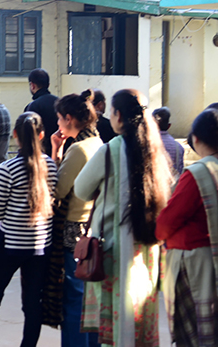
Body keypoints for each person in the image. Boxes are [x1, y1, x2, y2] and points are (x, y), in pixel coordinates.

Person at [74, 89, 173, 346]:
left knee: (116, 328)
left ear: (117, 116)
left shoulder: (110, 150)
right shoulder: (155, 150)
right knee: (140, 316)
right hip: (147, 248)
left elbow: (82, 189)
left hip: (113, 252)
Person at [0, 112, 58, 347]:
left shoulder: (7, 168)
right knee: (32, 303)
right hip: (40, 245)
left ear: (15, 135)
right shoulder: (51, 166)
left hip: (10, 244)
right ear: (42, 135)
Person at [43, 90, 101, 346]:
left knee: (74, 297)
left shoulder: (78, 150)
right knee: (89, 297)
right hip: (92, 227)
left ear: (68, 118)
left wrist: (55, 153)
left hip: (72, 229)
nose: (57, 124)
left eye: (58, 119)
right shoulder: (97, 142)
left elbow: (58, 189)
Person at [156, 108, 218, 347]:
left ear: (196, 139)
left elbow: (168, 221)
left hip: (195, 263)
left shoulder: (197, 173)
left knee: (194, 335)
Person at [24, 68, 58, 155]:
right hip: (60, 152)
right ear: (48, 85)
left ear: (32, 85)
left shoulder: (33, 107)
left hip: (40, 155)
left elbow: (28, 136)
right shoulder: (60, 103)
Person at [152, 107, 185, 175]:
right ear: (169, 126)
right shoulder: (179, 148)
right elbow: (180, 170)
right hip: (173, 184)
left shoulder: (146, 145)